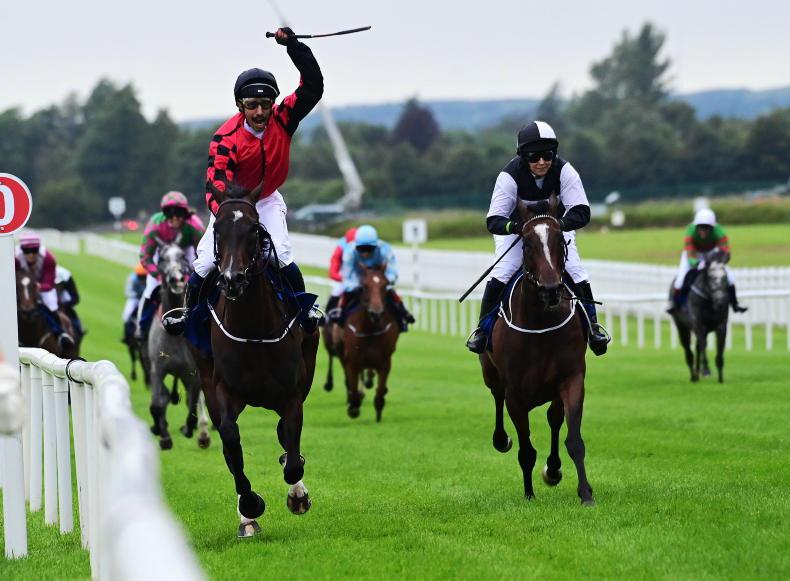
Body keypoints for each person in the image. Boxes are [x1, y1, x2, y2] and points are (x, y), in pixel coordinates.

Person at [164, 27, 324, 336]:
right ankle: (188, 316)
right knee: (205, 262)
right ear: (240, 105)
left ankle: (304, 312)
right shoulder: (226, 137)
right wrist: (232, 213)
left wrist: (294, 46)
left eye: (266, 104)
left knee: (281, 255)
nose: (260, 112)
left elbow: (313, 86)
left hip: (267, 199)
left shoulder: (284, 117)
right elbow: (215, 185)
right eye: (252, 105)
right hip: (230, 206)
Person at [465, 120, 610, 356]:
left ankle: (593, 328)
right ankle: (483, 330)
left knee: (575, 269)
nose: (542, 161)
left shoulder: (565, 171)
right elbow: (494, 220)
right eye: (534, 157)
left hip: (555, 230)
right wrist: (517, 227)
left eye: (547, 155)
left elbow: (582, 212)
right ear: (524, 156)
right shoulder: (509, 176)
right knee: (504, 270)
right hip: (518, 231)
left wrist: (558, 226)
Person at [135, 191, 204, 340]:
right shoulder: (155, 224)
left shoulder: (194, 225)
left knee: (198, 285)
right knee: (150, 290)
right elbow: (145, 257)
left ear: (185, 214)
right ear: (164, 214)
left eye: (179, 214)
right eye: (170, 214)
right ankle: (142, 327)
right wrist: (159, 276)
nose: (175, 218)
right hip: (161, 253)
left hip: (186, 252)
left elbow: (203, 253)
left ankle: (203, 323)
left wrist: (190, 276)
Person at [334, 225, 415, 332]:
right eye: (361, 249)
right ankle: (338, 313)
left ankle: (403, 315)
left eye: (369, 249)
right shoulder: (349, 251)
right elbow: (347, 275)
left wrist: (383, 283)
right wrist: (359, 285)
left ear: (376, 246)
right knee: (345, 293)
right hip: (358, 277)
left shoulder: (385, 250)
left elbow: (392, 272)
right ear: (356, 246)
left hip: (380, 277)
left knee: (391, 292)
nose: (365, 253)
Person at [667, 208, 747, 314]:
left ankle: (735, 303)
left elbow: (725, 252)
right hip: (694, 253)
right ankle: (675, 304)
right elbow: (690, 255)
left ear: (712, 228)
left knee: (730, 278)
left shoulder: (720, 232)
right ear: (696, 227)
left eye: (706, 228)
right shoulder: (690, 232)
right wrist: (698, 263)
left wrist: (719, 261)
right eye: (700, 228)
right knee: (680, 280)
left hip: (711, 253)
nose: (703, 231)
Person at [14, 231, 74, 348]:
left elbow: (49, 282)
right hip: (21, 287)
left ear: (39, 249)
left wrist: (39, 287)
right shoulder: (14, 258)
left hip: (42, 287)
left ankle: (60, 333)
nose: (31, 254)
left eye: (34, 250)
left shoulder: (48, 258)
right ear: (21, 250)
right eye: (27, 251)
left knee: (51, 306)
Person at [325, 227, 358, 318]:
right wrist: (341, 278)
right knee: (337, 290)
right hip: (342, 277)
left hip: (358, 277)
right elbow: (333, 270)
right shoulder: (340, 248)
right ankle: (327, 316)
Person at [55, 265, 84, 339]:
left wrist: (63, 305)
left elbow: (76, 298)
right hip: (47, 304)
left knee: (76, 326)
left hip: (64, 307)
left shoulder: (65, 275)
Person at [122, 263, 148, 345]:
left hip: (146, 298)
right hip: (135, 298)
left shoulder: (150, 280)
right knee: (127, 315)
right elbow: (128, 292)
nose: (142, 279)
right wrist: (138, 297)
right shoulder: (132, 279)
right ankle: (126, 336)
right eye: (140, 276)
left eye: (144, 276)